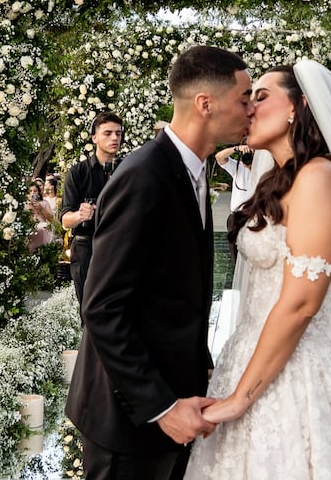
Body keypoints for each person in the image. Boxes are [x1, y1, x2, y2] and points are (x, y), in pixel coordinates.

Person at [184, 61, 331, 479]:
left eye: (260, 97)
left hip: (296, 377)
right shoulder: (276, 182)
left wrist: (241, 397)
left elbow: (300, 303)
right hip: (246, 358)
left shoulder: (320, 179)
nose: (249, 109)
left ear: (299, 106)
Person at [65, 46, 254, 480]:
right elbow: (102, 306)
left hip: (176, 399)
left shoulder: (196, 171)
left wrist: (198, 364)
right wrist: (160, 406)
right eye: (244, 98)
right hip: (128, 420)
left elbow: (172, 293)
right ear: (206, 103)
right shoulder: (144, 175)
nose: (250, 109)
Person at [60, 111, 124, 312]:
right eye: (108, 133)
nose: (114, 138)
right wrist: (80, 215)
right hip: (87, 249)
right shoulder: (78, 172)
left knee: (120, 311)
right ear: (94, 137)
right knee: (90, 312)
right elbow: (64, 220)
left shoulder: (128, 169)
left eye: (118, 133)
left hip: (120, 248)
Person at [214, 144, 256, 262]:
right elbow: (219, 157)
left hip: (254, 216)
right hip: (236, 216)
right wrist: (236, 149)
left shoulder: (261, 168)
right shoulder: (237, 167)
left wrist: (251, 167)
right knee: (235, 257)